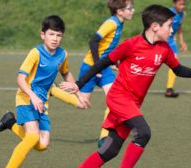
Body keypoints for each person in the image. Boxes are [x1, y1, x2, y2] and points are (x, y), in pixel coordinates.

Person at [54, 4, 191, 168]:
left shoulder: (164, 49)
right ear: (154, 26)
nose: (172, 29)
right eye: (169, 25)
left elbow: (178, 69)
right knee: (144, 132)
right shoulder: (131, 45)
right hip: (118, 98)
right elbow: (102, 62)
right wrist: (79, 84)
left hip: (132, 103)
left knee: (109, 150)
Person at [0, 15, 76, 168]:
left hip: (42, 102)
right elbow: (20, 79)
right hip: (26, 97)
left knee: (42, 145)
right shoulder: (35, 53)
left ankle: (10, 122)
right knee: (33, 136)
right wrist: (33, 95)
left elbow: (66, 73)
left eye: (58, 35)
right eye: (51, 34)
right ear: (43, 35)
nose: (55, 39)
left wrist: (75, 86)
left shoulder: (62, 54)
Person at [51, 0, 135, 148]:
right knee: (81, 104)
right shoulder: (111, 23)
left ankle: (104, 137)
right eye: (130, 8)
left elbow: (107, 48)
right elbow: (93, 41)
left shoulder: (120, 24)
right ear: (119, 11)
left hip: (103, 68)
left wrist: (112, 62)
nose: (133, 11)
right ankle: (53, 90)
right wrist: (97, 64)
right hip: (91, 66)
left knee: (114, 99)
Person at [165, 0, 188, 97]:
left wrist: (182, 41)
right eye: (180, 4)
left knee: (175, 63)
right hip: (163, 40)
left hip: (171, 41)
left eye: (184, 4)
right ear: (174, 4)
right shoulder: (169, 14)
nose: (182, 6)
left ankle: (169, 89)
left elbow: (179, 27)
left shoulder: (182, 14)